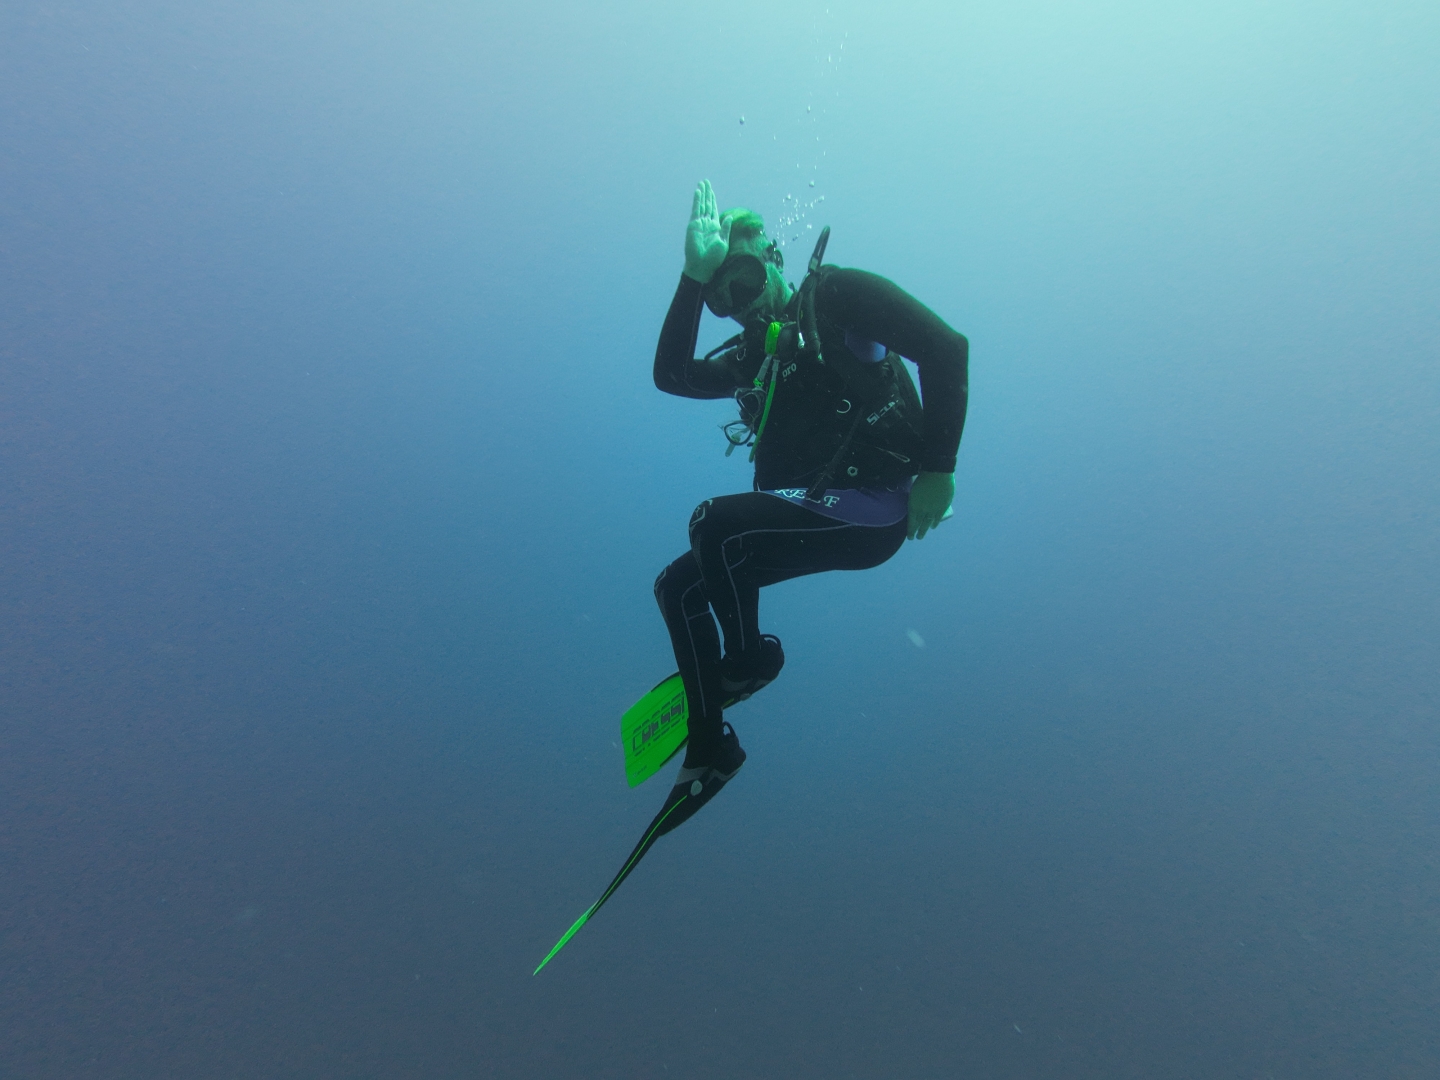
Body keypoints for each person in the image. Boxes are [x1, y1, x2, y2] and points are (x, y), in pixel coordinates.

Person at [647, 179, 969, 834]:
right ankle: (710, 751)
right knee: (677, 586)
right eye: (720, 298)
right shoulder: (754, 358)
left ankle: (748, 663)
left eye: (742, 279)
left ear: (772, 255)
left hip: (874, 505)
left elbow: (946, 347)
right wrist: (691, 277)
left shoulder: (835, 297)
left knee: (714, 524)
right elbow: (671, 375)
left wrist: (940, 469)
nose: (737, 304)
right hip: (810, 506)